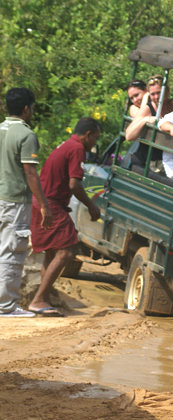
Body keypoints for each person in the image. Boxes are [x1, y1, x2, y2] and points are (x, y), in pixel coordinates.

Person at [28, 118, 102, 316]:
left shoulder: (67, 144)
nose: (96, 142)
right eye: (96, 137)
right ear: (88, 135)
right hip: (50, 204)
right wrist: (91, 205)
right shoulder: (77, 148)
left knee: (52, 253)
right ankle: (38, 299)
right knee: (67, 251)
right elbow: (74, 184)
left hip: (43, 202)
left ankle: (45, 298)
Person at [0, 88, 51, 317]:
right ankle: (6, 306)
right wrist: (44, 206)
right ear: (26, 108)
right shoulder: (26, 135)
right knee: (12, 252)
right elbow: (30, 173)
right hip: (15, 202)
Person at [123, 75, 173, 167]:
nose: (156, 97)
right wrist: (146, 120)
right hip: (150, 159)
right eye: (152, 94)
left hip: (170, 156)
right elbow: (129, 135)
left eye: (159, 93)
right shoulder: (144, 109)